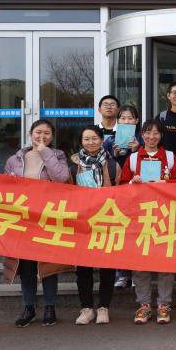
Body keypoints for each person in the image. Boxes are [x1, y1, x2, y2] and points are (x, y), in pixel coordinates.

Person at [3, 119, 72, 328]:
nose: (42, 136)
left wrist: (45, 151)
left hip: (48, 218)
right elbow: (4, 188)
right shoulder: (15, 159)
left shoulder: (57, 155)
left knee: (49, 264)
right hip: (23, 219)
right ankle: (29, 307)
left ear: (52, 136)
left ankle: (50, 307)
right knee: (26, 266)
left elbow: (62, 178)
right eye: (38, 132)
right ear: (30, 133)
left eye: (47, 133)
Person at [121, 118, 176, 325]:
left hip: (165, 216)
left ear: (161, 135)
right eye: (147, 133)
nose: (151, 137)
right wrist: (132, 182)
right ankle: (144, 305)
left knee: (165, 262)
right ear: (141, 135)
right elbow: (120, 187)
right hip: (139, 217)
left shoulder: (169, 157)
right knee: (140, 262)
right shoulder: (133, 159)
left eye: (156, 133)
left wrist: (165, 183)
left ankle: (164, 304)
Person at [72, 124, 117, 326]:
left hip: (107, 219)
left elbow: (122, 192)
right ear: (81, 142)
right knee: (83, 267)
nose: (91, 142)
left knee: (108, 266)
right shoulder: (73, 165)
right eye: (86, 139)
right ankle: (87, 308)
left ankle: (104, 307)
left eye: (94, 138)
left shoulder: (112, 164)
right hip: (82, 222)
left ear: (102, 140)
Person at [103, 103, 141, 289]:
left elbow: (147, 162)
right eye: (123, 118)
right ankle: (122, 273)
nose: (126, 121)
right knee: (120, 231)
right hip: (118, 191)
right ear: (117, 121)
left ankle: (137, 273)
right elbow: (104, 163)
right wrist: (114, 154)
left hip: (137, 192)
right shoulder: (110, 141)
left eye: (130, 118)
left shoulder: (141, 139)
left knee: (137, 232)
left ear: (136, 120)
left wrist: (136, 151)